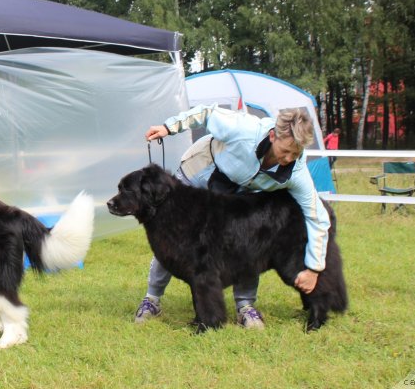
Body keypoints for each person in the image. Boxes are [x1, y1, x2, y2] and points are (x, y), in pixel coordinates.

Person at [135, 105, 331, 329]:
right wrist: (168, 127)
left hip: (237, 192)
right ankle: (152, 299)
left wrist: (314, 269)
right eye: (284, 151)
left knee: (247, 243)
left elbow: (317, 217)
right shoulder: (244, 129)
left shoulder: (296, 172)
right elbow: (206, 113)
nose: (288, 159)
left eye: (296, 154)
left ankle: (245, 306)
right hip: (201, 172)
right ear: (272, 135)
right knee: (173, 238)